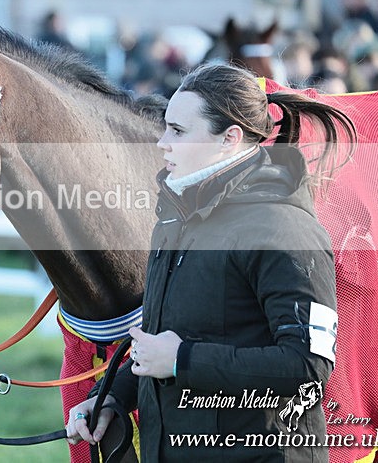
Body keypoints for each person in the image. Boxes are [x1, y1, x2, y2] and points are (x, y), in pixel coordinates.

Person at [66, 63, 356, 462]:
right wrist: (109, 398)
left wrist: (183, 360)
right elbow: (159, 346)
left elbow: (307, 368)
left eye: (179, 131)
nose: (162, 142)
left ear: (230, 138)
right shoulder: (174, 218)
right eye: (166, 126)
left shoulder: (284, 228)